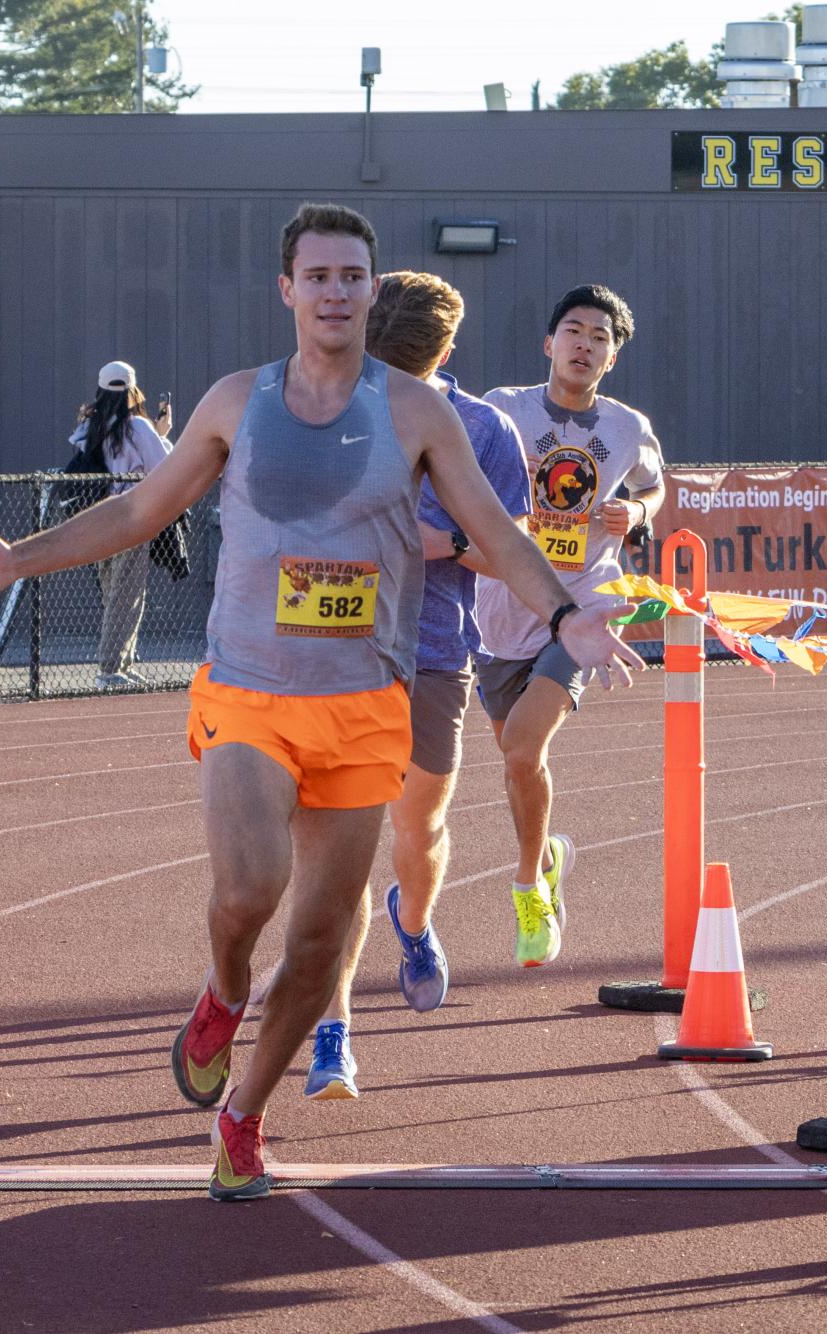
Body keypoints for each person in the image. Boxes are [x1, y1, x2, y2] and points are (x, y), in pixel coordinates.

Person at [0, 204, 641, 1203]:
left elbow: (496, 530)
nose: (336, 291)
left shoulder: (419, 414)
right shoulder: (236, 402)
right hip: (250, 691)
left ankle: (244, 1114)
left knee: (318, 941)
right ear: (288, 289)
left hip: (366, 703)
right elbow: (142, 507)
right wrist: (18, 560)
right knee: (250, 892)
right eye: (319, 275)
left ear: (370, 288)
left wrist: (566, 614)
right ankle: (222, 993)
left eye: (354, 275)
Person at [279, 270, 532, 1101]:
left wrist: (443, 540)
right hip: (331, 657)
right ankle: (332, 1036)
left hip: (430, 655)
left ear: (445, 359)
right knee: (332, 863)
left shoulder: (485, 430)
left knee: (416, 834)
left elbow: (513, 557)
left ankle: (414, 924)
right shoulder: (314, 407)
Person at [475, 285, 666, 968]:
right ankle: (547, 856)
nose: (584, 345)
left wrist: (637, 513)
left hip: (581, 606)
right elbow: (451, 470)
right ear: (548, 343)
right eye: (573, 331)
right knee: (516, 761)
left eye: (599, 337)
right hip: (500, 606)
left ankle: (526, 888)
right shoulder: (501, 409)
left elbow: (652, 483)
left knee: (524, 748)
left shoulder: (624, 426)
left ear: (611, 357)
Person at [69, 361, 174, 688]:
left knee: (112, 592)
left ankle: (121, 663)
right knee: (127, 594)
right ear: (132, 390)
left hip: (98, 517)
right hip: (131, 517)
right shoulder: (139, 427)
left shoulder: (90, 427)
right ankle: (111, 668)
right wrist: (163, 435)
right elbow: (166, 467)